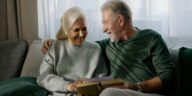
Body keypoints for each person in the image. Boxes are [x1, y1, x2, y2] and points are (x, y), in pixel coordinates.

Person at [41, 0, 174, 96]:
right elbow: (80, 44)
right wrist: (56, 41)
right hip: (118, 93)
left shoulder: (151, 38)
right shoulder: (105, 45)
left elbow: (168, 77)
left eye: (105, 22)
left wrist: (135, 86)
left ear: (120, 20)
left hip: (146, 93)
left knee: (108, 93)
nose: (104, 29)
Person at [37, 7, 107, 96]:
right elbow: (43, 77)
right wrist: (68, 85)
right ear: (66, 30)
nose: (81, 34)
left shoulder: (96, 49)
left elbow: (102, 78)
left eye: (84, 29)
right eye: (76, 30)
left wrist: (89, 84)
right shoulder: (54, 47)